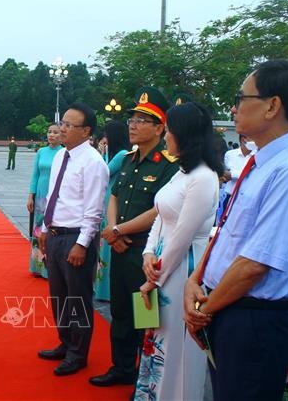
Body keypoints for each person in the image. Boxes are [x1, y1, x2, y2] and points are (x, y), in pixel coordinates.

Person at [184, 59, 288, 401]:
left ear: (272, 106)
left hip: (253, 320)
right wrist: (196, 280)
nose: (233, 109)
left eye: (241, 98)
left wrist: (203, 312)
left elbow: (256, 263)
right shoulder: (264, 161)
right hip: (226, 307)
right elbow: (228, 230)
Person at [90, 87, 179, 388]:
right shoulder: (127, 159)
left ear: (160, 127)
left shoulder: (168, 165)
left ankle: (145, 380)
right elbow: (113, 195)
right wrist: (115, 232)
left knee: (146, 319)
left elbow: (158, 209)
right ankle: (122, 368)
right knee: (121, 313)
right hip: (120, 248)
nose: (133, 125)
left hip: (144, 254)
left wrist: (118, 231)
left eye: (143, 120)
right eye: (132, 119)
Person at [133, 102, 221, 400]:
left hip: (182, 272)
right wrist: (147, 254)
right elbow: (160, 214)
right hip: (159, 265)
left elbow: (183, 235)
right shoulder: (182, 172)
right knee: (156, 340)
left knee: (177, 350)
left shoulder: (204, 178)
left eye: (169, 131)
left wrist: (153, 278)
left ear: (184, 134)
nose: (166, 136)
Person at [37, 104, 109, 376]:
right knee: (59, 296)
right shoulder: (60, 157)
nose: (63, 129)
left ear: (86, 131)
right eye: (62, 123)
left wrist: (82, 243)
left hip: (75, 238)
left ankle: (78, 354)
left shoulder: (93, 162)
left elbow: (94, 210)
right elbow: (55, 196)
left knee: (78, 298)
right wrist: (45, 228)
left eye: (69, 125)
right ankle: (65, 343)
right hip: (55, 234)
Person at [94, 120, 130, 301]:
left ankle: (106, 290)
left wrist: (102, 154)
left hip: (111, 197)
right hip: (108, 195)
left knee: (107, 242)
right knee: (103, 243)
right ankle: (101, 287)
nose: (105, 138)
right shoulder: (118, 153)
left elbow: (104, 171)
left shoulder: (122, 153)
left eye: (107, 135)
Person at [26, 124, 62, 278]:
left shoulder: (63, 153)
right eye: (49, 132)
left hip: (55, 196)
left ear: (62, 135)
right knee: (38, 229)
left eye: (55, 132)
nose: (51, 135)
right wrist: (30, 195)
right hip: (40, 194)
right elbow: (35, 175)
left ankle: (50, 268)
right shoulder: (41, 152)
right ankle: (37, 266)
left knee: (51, 229)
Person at [219, 134, 255, 213]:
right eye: (253, 137)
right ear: (243, 139)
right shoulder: (230, 154)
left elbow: (254, 174)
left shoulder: (257, 155)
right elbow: (225, 174)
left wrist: (232, 175)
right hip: (230, 196)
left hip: (248, 200)